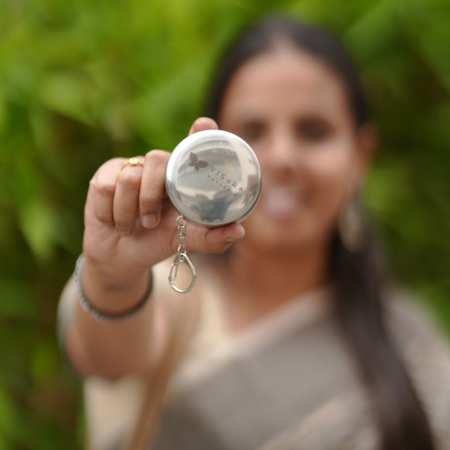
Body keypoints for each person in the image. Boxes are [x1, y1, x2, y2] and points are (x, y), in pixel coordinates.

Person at [58, 16, 450, 450]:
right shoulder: (159, 290)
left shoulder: (412, 348)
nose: (282, 157)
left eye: (314, 131)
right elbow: (102, 355)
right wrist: (112, 269)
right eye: (252, 131)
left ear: (360, 157)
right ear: (210, 150)